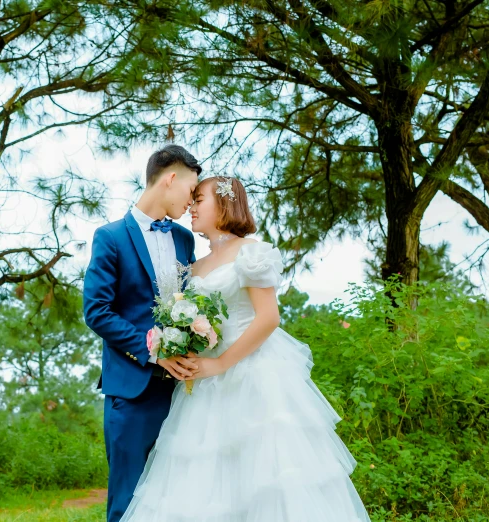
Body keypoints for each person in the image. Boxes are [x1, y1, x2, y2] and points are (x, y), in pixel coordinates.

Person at [119, 176, 372, 522]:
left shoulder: (252, 253)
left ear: (224, 204)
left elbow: (268, 319)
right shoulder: (194, 267)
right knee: (201, 479)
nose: (191, 208)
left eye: (199, 200)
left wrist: (220, 363)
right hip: (203, 383)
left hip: (253, 375)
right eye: (191, 202)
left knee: (265, 478)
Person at [83, 145, 202, 522]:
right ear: (170, 179)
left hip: (185, 393)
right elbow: (96, 311)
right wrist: (154, 349)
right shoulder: (111, 237)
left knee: (177, 499)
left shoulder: (185, 240)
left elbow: (193, 303)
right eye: (190, 190)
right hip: (132, 391)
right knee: (128, 501)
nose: (192, 201)